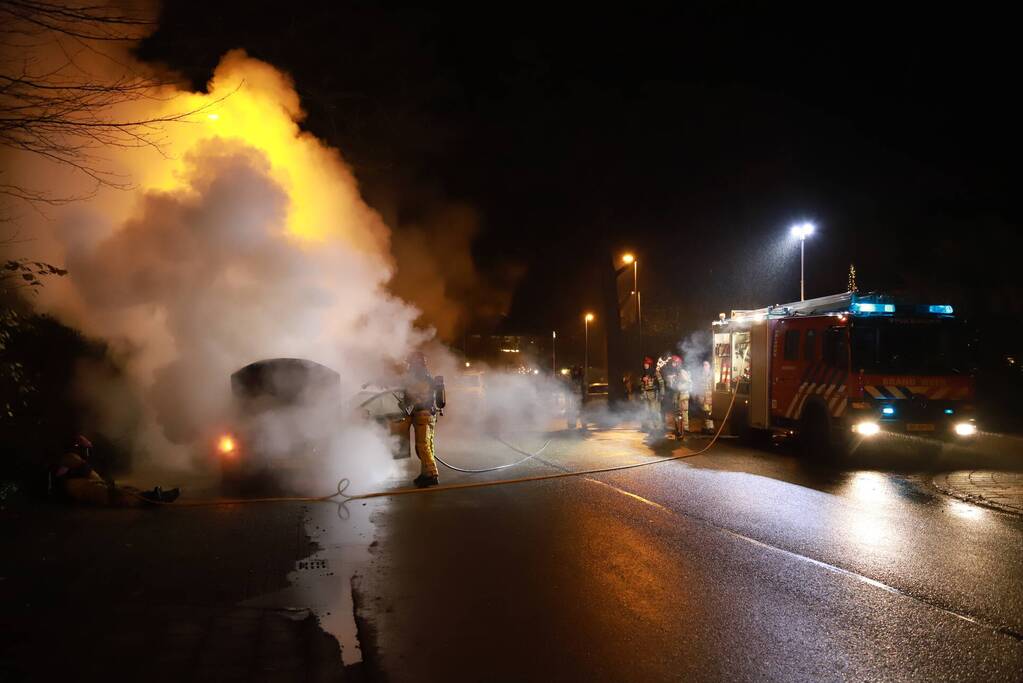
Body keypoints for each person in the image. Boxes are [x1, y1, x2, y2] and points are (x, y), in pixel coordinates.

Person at [50, 435, 179, 506]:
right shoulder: (70, 457)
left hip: (75, 488)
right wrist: (104, 482)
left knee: (120, 488)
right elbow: (89, 474)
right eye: (85, 449)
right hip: (73, 489)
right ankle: (149, 500)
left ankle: (151, 495)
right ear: (78, 447)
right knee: (113, 494)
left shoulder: (69, 458)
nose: (86, 453)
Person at [399, 351, 445, 488]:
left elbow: (415, 396)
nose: (409, 366)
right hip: (429, 415)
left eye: (410, 363)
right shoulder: (426, 376)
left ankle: (432, 475)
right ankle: (425, 473)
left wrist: (405, 403)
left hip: (422, 415)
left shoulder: (419, 377)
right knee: (427, 445)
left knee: (423, 446)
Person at [638, 357, 660, 432]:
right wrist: (642, 381)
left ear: (650, 365)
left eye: (647, 364)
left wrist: (661, 393)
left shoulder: (655, 373)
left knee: (654, 410)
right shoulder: (644, 374)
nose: (645, 365)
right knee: (645, 410)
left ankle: (656, 426)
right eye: (644, 364)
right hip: (645, 394)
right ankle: (645, 426)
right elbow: (641, 385)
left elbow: (661, 383)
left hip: (653, 394)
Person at [701, 360, 715, 433]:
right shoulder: (702, 375)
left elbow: (713, 386)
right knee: (705, 413)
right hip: (704, 398)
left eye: (706, 365)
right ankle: (705, 428)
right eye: (703, 365)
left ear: (709, 366)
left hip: (711, 397)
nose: (704, 366)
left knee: (709, 413)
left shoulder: (712, 374)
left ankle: (710, 428)